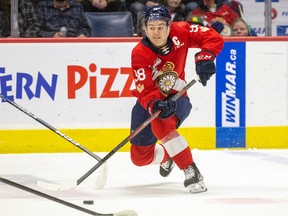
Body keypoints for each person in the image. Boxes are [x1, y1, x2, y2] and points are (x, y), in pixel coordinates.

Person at [130, 5, 224, 193]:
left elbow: (212, 36)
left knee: (161, 123)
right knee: (139, 157)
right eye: (151, 27)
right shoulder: (139, 53)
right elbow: (145, 89)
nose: (156, 32)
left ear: (169, 26)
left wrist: (205, 56)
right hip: (150, 101)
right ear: (144, 28)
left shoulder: (181, 31)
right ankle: (168, 155)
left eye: (160, 27)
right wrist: (154, 103)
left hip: (177, 96)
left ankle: (191, 171)